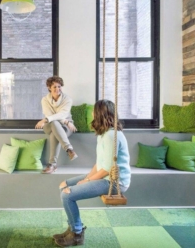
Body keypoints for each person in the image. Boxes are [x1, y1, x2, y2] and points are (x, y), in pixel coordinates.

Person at [53, 99, 131, 247]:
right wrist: (87, 177)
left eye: (94, 111)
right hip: (104, 175)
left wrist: (88, 181)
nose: (92, 113)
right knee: (64, 185)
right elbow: (99, 164)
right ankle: (72, 228)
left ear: (100, 113)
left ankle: (77, 233)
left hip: (114, 182)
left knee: (67, 195)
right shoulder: (103, 134)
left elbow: (107, 169)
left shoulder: (111, 136)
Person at [35, 76, 78, 174]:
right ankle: (69, 149)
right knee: (54, 123)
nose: (57, 89)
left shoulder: (67, 99)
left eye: (59, 86)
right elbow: (50, 115)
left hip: (66, 127)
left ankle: (52, 165)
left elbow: (62, 114)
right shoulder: (45, 100)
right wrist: (65, 121)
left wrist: (46, 119)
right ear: (49, 88)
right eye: (54, 87)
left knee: (55, 132)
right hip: (50, 125)